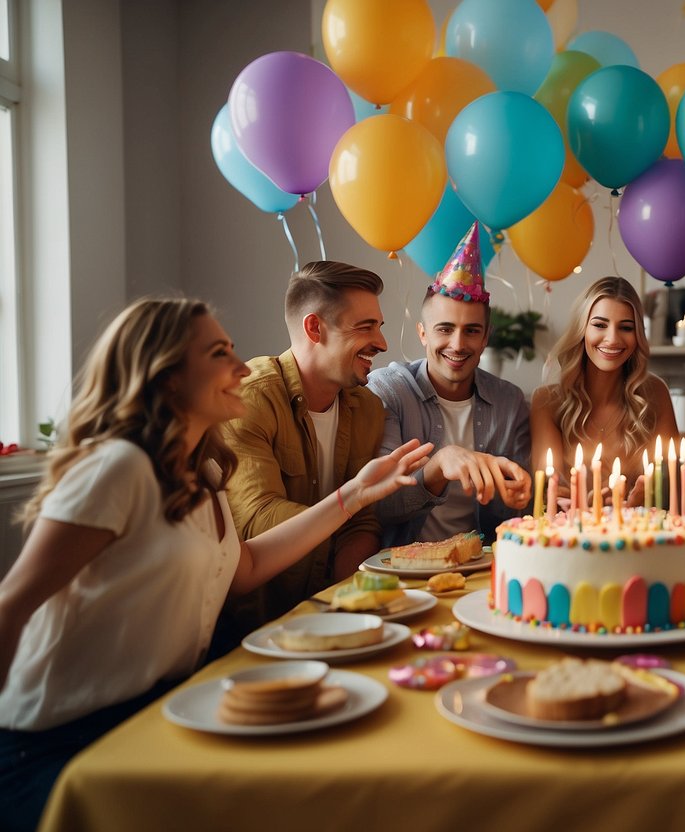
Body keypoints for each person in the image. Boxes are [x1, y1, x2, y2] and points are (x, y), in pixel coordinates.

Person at [0, 298, 432, 832]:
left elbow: (244, 566)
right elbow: (11, 607)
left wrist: (355, 494)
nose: (242, 367)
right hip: (60, 745)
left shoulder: (200, 469)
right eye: (219, 353)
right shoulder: (117, 467)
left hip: (151, 719)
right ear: (168, 376)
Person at [217, 260, 392, 645]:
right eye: (366, 327)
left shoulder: (367, 408)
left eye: (379, 327)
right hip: (253, 636)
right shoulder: (249, 398)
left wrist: (341, 608)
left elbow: (361, 525)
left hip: (333, 624)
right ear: (315, 327)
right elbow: (259, 522)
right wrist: (348, 505)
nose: (382, 343)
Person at [368, 224, 531, 545]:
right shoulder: (390, 390)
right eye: (444, 329)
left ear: (485, 337)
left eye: (471, 331)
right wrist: (440, 465)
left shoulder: (509, 401)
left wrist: (518, 495)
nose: (457, 344)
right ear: (422, 333)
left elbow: (511, 514)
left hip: (482, 566)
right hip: (404, 571)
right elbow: (379, 506)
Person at [530, 275, 679, 505]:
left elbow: (671, 487)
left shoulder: (655, 392)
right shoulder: (546, 401)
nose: (612, 339)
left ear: (638, 334)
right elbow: (550, 489)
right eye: (600, 325)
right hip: (571, 536)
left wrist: (644, 497)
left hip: (638, 536)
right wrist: (588, 504)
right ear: (582, 329)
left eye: (626, 327)